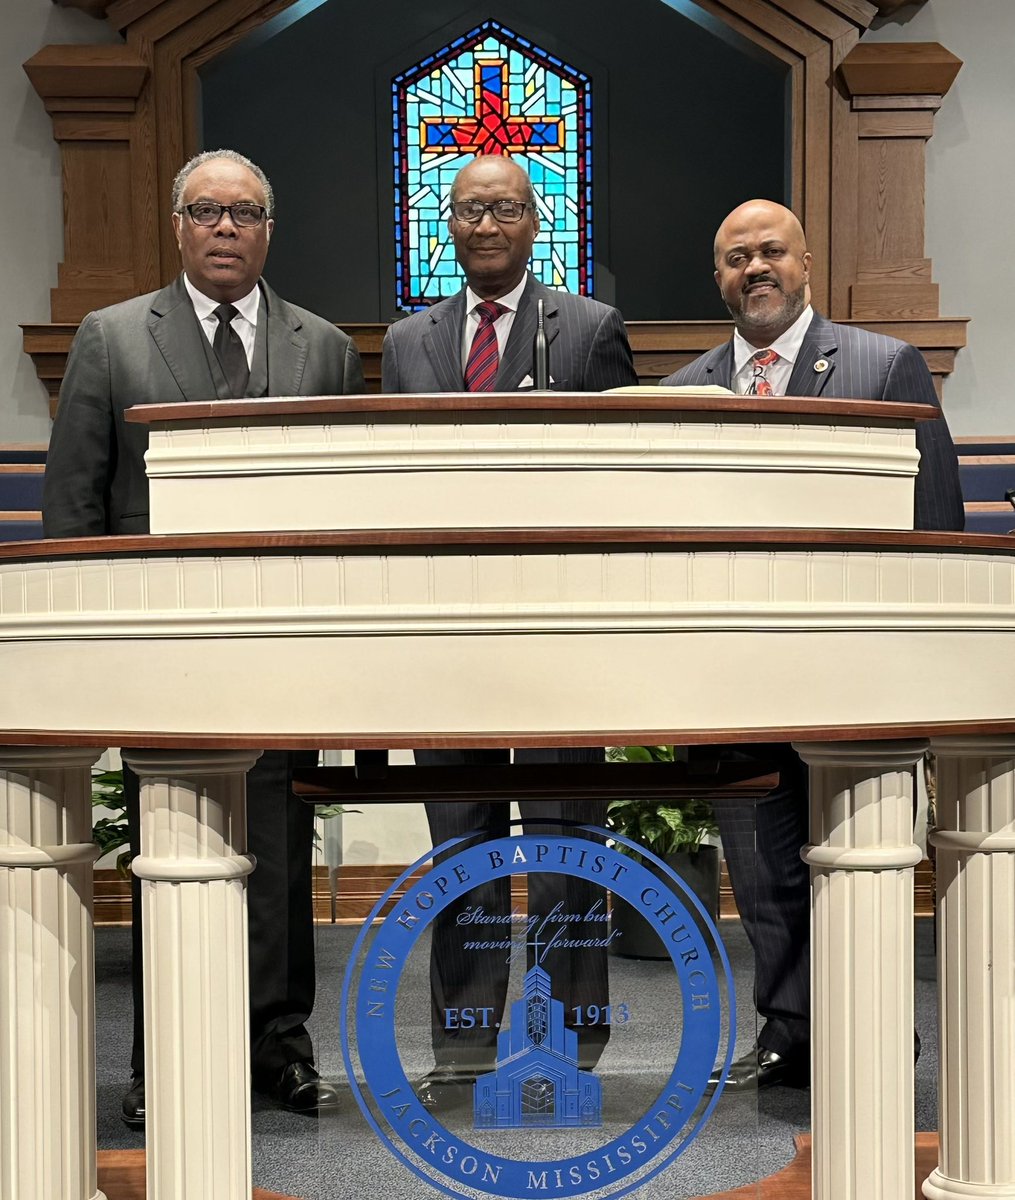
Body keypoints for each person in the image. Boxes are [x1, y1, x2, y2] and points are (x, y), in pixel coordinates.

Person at [42, 148, 364, 1123]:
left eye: (245, 213)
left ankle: (278, 1048)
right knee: (171, 851)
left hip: (283, 648)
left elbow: (352, 507)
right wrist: (85, 653)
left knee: (279, 848)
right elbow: (75, 512)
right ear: (177, 226)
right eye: (206, 211)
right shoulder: (110, 338)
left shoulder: (324, 348)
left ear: (270, 230)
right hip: (165, 653)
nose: (225, 228)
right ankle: (168, 1058)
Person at [662, 198, 964, 1091]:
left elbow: (934, 520)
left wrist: (923, 669)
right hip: (733, 679)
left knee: (858, 860)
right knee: (758, 870)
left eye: (770, 252)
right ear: (715, 276)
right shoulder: (684, 394)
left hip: (854, 673)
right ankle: (790, 1029)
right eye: (733, 258)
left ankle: (868, 1028)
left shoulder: (881, 365)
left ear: (804, 263)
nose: (753, 269)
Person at [382, 155, 638, 1110]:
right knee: (462, 847)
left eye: (506, 207)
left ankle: (572, 1044)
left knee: (570, 841)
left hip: (563, 629)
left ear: (537, 221)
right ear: (445, 223)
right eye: (469, 207)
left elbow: (621, 477)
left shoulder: (590, 329)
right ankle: (462, 1047)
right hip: (445, 633)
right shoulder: (407, 343)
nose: (487, 222)